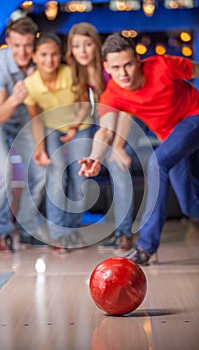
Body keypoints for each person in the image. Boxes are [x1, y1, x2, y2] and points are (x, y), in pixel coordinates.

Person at [78, 32, 199, 265]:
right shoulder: (112, 95)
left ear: (138, 60)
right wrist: (94, 157)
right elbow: (104, 131)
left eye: (128, 65)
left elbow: (196, 68)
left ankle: (145, 247)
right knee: (190, 205)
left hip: (195, 117)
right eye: (116, 67)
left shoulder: (163, 66)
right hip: (174, 140)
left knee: (157, 163)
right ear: (107, 67)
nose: (123, 73)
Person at [66, 22, 145, 250]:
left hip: (130, 115)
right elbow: (90, 107)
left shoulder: (109, 67)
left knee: (117, 163)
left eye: (88, 44)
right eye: (76, 45)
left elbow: (127, 106)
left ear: (96, 45)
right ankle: (117, 230)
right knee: (102, 160)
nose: (82, 50)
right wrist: (74, 127)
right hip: (108, 117)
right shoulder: (80, 72)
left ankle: (123, 234)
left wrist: (118, 144)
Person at [0, 14, 45, 251]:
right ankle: (4, 232)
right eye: (16, 45)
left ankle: (26, 229)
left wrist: (42, 150)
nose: (23, 52)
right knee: (4, 169)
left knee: (39, 170)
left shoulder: (40, 62)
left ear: (34, 42)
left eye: (27, 45)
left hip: (26, 119)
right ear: (8, 42)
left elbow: (38, 112)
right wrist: (16, 97)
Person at [23, 33, 93, 251]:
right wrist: (40, 149)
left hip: (81, 126)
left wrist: (74, 127)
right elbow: (35, 120)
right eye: (43, 54)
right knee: (55, 176)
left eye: (54, 54)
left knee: (79, 177)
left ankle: (72, 229)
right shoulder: (29, 85)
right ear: (34, 56)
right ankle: (58, 233)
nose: (49, 60)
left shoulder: (71, 73)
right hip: (52, 129)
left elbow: (84, 103)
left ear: (60, 55)